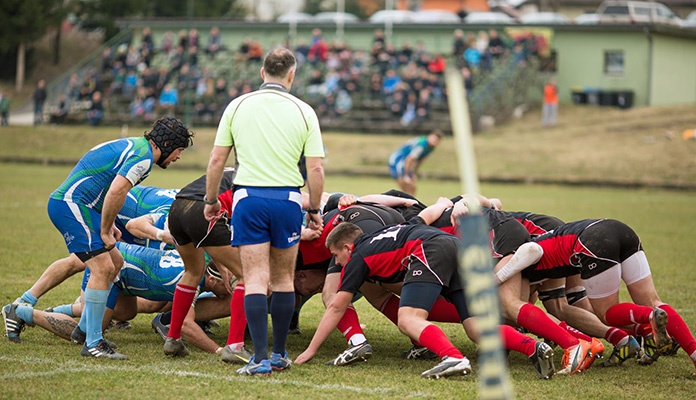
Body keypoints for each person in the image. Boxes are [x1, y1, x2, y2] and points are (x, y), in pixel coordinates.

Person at [2, 118, 194, 359]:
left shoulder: (138, 147)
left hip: (82, 206)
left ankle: (69, 324)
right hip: (72, 205)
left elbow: (106, 185)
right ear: (166, 144)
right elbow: (116, 190)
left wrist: (110, 224)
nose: (178, 157)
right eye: (178, 151)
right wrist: (104, 230)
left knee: (115, 263)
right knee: (101, 266)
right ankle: (92, 342)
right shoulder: (143, 158)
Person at [204, 47, 325, 376]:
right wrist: (313, 208)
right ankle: (279, 353)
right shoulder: (304, 111)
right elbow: (315, 169)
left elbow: (216, 160)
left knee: (255, 278)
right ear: (291, 75)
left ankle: (258, 358)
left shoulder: (237, 105)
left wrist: (211, 200)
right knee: (284, 279)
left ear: (262, 73)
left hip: (248, 198)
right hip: (287, 200)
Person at [10, 242, 232, 354]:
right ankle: (20, 312)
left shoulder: (202, 259)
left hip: (124, 269)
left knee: (127, 313)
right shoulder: (190, 281)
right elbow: (185, 325)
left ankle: (60, 310)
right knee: (86, 334)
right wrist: (218, 350)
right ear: (213, 279)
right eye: (230, 284)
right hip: (114, 270)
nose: (231, 290)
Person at [163, 169, 247, 363]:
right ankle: (235, 346)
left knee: (192, 272)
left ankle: (173, 338)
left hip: (177, 208)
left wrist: (222, 265)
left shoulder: (233, 170)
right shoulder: (257, 176)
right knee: (247, 276)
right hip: (204, 211)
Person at [388, 130, 442, 196]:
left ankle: (410, 203)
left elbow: (420, 160)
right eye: (434, 139)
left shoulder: (430, 147)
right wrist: (406, 175)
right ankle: (404, 202)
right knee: (405, 184)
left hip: (405, 162)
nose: (434, 141)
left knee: (412, 186)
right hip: (398, 160)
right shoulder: (421, 145)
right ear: (429, 137)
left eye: (437, 141)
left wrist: (414, 173)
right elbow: (410, 159)